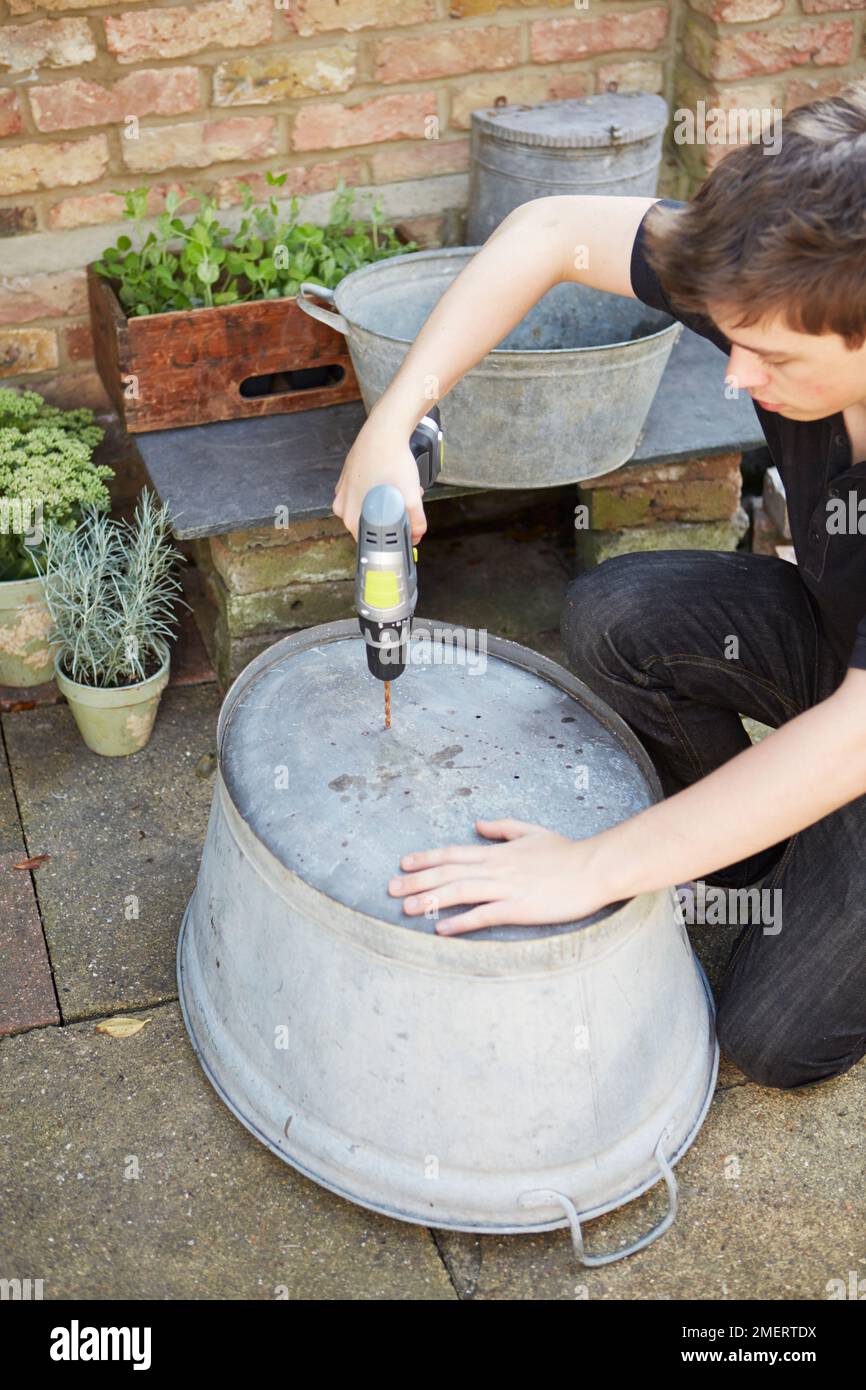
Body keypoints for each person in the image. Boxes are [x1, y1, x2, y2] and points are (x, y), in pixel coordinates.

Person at [332, 79, 866, 1089]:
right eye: (730, 335)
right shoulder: (786, 271)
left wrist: (590, 865)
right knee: (620, 617)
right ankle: (749, 857)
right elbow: (546, 231)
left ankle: (801, 833)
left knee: (769, 1042)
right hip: (842, 657)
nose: (731, 375)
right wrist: (390, 419)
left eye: (771, 357)